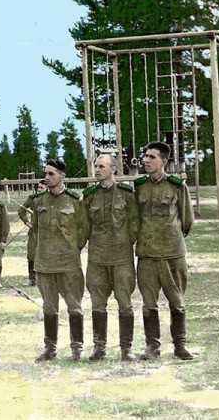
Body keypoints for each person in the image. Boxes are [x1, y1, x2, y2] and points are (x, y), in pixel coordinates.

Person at [135, 142, 194, 361]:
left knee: (177, 302)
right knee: (149, 304)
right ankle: (152, 347)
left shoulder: (177, 186)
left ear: (164, 161)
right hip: (147, 254)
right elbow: (135, 219)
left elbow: (187, 220)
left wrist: (171, 238)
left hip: (172, 254)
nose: (146, 160)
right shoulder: (139, 186)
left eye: (152, 157)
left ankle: (180, 346)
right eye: (145, 156)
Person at [29, 159, 89, 362]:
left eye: (51, 174)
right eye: (45, 173)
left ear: (62, 176)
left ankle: (77, 348)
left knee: (74, 306)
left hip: (68, 265)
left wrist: (71, 249)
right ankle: (50, 349)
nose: (46, 177)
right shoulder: (38, 201)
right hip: (45, 264)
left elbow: (83, 230)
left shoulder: (75, 200)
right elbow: (36, 229)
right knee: (49, 307)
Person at [82, 154, 139, 361]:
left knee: (125, 303)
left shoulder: (126, 194)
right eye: (96, 166)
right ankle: (99, 347)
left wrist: (125, 242)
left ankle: (126, 349)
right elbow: (84, 226)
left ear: (113, 169)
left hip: (121, 258)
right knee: (98, 304)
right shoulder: (89, 196)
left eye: (101, 166)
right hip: (97, 259)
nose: (97, 170)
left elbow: (135, 223)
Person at [18, 180, 47, 286]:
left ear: (47, 189)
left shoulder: (52, 199)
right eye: (38, 187)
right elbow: (21, 210)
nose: (39, 190)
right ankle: (32, 278)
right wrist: (27, 222)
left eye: (42, 188)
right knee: (31, 255)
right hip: (34, 232)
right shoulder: (32, 198)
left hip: (48, 232)